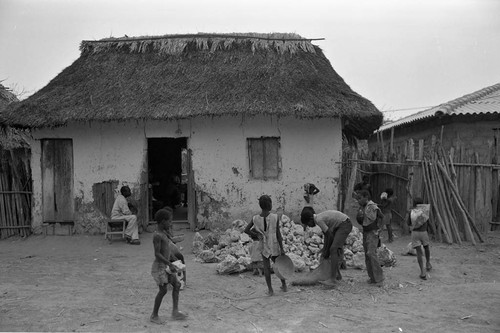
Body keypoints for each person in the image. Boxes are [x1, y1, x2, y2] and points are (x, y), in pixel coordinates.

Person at [150, 209, 188, 324]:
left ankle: (175, 312)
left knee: (176, 284)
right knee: (163, 291)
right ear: (162, 221)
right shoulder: (157, 235)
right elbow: (157, 254)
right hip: (160, 267)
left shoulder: (164, 234)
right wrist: (169, 263)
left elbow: (166, 249)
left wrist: (173, 257)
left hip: (166, 264)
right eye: (169, 221)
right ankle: (154, 315)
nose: (170, 223)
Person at [244, 195, 287, 296]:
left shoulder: (255, 218)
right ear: (270, 205)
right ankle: (284, 285)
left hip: (263, 245)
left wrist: (256, 234)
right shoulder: (275, 217)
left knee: (266, 268)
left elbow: (246, 230)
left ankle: (270, 290)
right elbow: (278, 233)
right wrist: (282, 248)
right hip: (274, 244)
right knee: (278, 266)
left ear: (260, 205)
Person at [300, 209, 353, 286]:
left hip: (344, 224)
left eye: (308, 223)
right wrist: (325, 249)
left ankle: (333, 279)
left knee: (334, 249)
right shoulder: (319, 218)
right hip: (340, 225)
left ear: (311, 219)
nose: (309, 226)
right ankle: (337, 275)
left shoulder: (319, 220)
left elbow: (330, 236)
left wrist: (327, 251)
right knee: (333, 250)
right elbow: (327, 236)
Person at [357, 190, 384, 285]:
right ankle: (372, 277)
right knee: (367, 256)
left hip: (372, 233)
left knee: (371, 253)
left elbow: (381, 216)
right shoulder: (363, 207)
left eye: (360, 198)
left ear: (366, 197)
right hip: (366, 232)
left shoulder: (372, 206)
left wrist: (380, 228)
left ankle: (379, 278)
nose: (358, 200)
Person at [407, 198, 432, 280]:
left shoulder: (411, 212)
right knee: (426, 247)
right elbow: (428, 222)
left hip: (415, 233)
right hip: (424, 232)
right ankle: (428, 263)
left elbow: (408, 223)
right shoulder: (425, 212)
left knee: (419, 252)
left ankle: (422, 272)